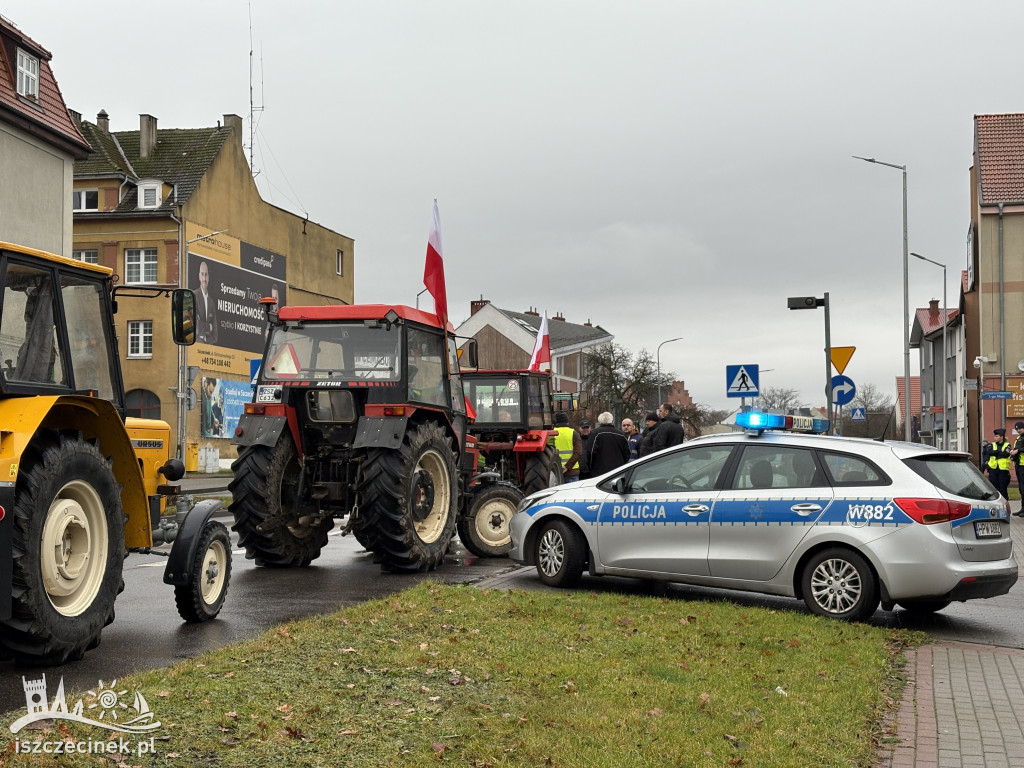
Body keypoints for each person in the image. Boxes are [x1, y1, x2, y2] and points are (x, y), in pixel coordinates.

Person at [585, 412, 631, 476]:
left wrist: (591, 467)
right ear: (612, 421)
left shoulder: (595, 434)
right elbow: (627, 453)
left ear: (600, 421)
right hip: (618, 471)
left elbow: (591, 452)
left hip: (599, 472)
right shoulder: (622, 435)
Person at [553, 411, 583, 482]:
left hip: (554, 471)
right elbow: (578, 452)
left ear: (556, 422)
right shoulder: (574, 433)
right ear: (567, 422)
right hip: (571, 471)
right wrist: (567, 467)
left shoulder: (551, 433)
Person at [196, 260, 218, 344]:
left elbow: (215, 336)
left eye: (206, 274)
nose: (204, 279)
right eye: (202, 274)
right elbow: (194, 327)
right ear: (199, 276)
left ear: (208, 277)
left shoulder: (211, 303)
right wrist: (209, 326)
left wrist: (204, 338)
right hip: (195, 348)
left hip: (208, 349)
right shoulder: (194, 296)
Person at [987, 427, 1012, 499]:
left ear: (1001, 437)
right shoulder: (992, 445)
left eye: (996, 436)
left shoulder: (1007, 445)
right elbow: (990, 452)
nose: (995, 438)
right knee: (994, 489)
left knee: (1003, 489)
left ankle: (1004, 504)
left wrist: (996, 453)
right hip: (993, 469)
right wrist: (1000, 452)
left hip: (1003, 470)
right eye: (994, 436)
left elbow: (1006, 454)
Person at [1011, 421, 1024, 516]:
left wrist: (1018, 450)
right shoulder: (1018, 438)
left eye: (1019, 428)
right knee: (1021, 488)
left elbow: (1020, 450)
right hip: (1019, 465)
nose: (1018, 430)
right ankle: (1022, 508)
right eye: (1017, 429)